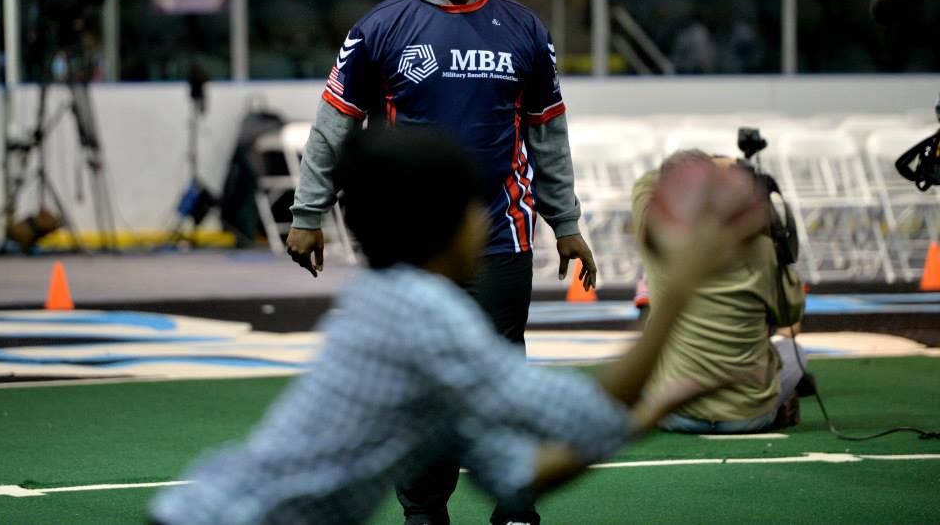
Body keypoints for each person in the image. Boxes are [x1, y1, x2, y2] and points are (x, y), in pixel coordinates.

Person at [148, 127, 769, 525]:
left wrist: (655, 408)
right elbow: (580, 411)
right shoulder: (423, 315)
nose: (488, 221)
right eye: (477, 208)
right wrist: (681, 284)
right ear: (441, 226)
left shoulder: (399, 306)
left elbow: (523, 471)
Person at [285, 0, 596, 525]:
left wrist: (565, 224)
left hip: (502, 237)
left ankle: (514, 509)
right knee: (422, 385)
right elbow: (333, 127)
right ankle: (423, 513)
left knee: (505, 381)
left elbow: (547, 137)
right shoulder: (380, 28)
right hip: (415, 249)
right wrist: (307, 210)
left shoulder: (526, 30)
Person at [632, 150, 807, 435]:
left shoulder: (660, 241)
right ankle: (774, 408)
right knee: (793, 350)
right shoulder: (760, 249)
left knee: (652, 359)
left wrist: (705, 169)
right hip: (748, 417)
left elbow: (645, 184)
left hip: (674, 414)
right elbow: (790, 315)